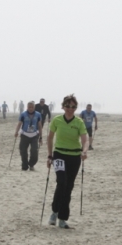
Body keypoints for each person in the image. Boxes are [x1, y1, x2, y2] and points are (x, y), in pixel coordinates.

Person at [46, 94, 88, 229]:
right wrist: (49, 156)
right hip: (59, 154)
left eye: (73, 107)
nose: (70, 109)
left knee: (69, 187)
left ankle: (63, 218)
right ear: (63, 107)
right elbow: (50, 138)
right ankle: (54, 212)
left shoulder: (79, 122)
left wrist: (84, 151)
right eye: (68, 106)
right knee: (61, 182)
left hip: (74, 157)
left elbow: (85, 139)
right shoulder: (57, 120)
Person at [15, 101, 43, 171]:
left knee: (34, 151)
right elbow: (19, 124)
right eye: (29, 107)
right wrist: (16, 132)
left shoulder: (38, 114)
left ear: (34, 107)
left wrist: (41, 137)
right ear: (27, 107)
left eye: (32, 107)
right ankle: (24, 165)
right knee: (23, 151)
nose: (31, 108)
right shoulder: (23, 114)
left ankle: (31, 164)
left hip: (34, 135)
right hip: (24, 135)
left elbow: (40, 126)